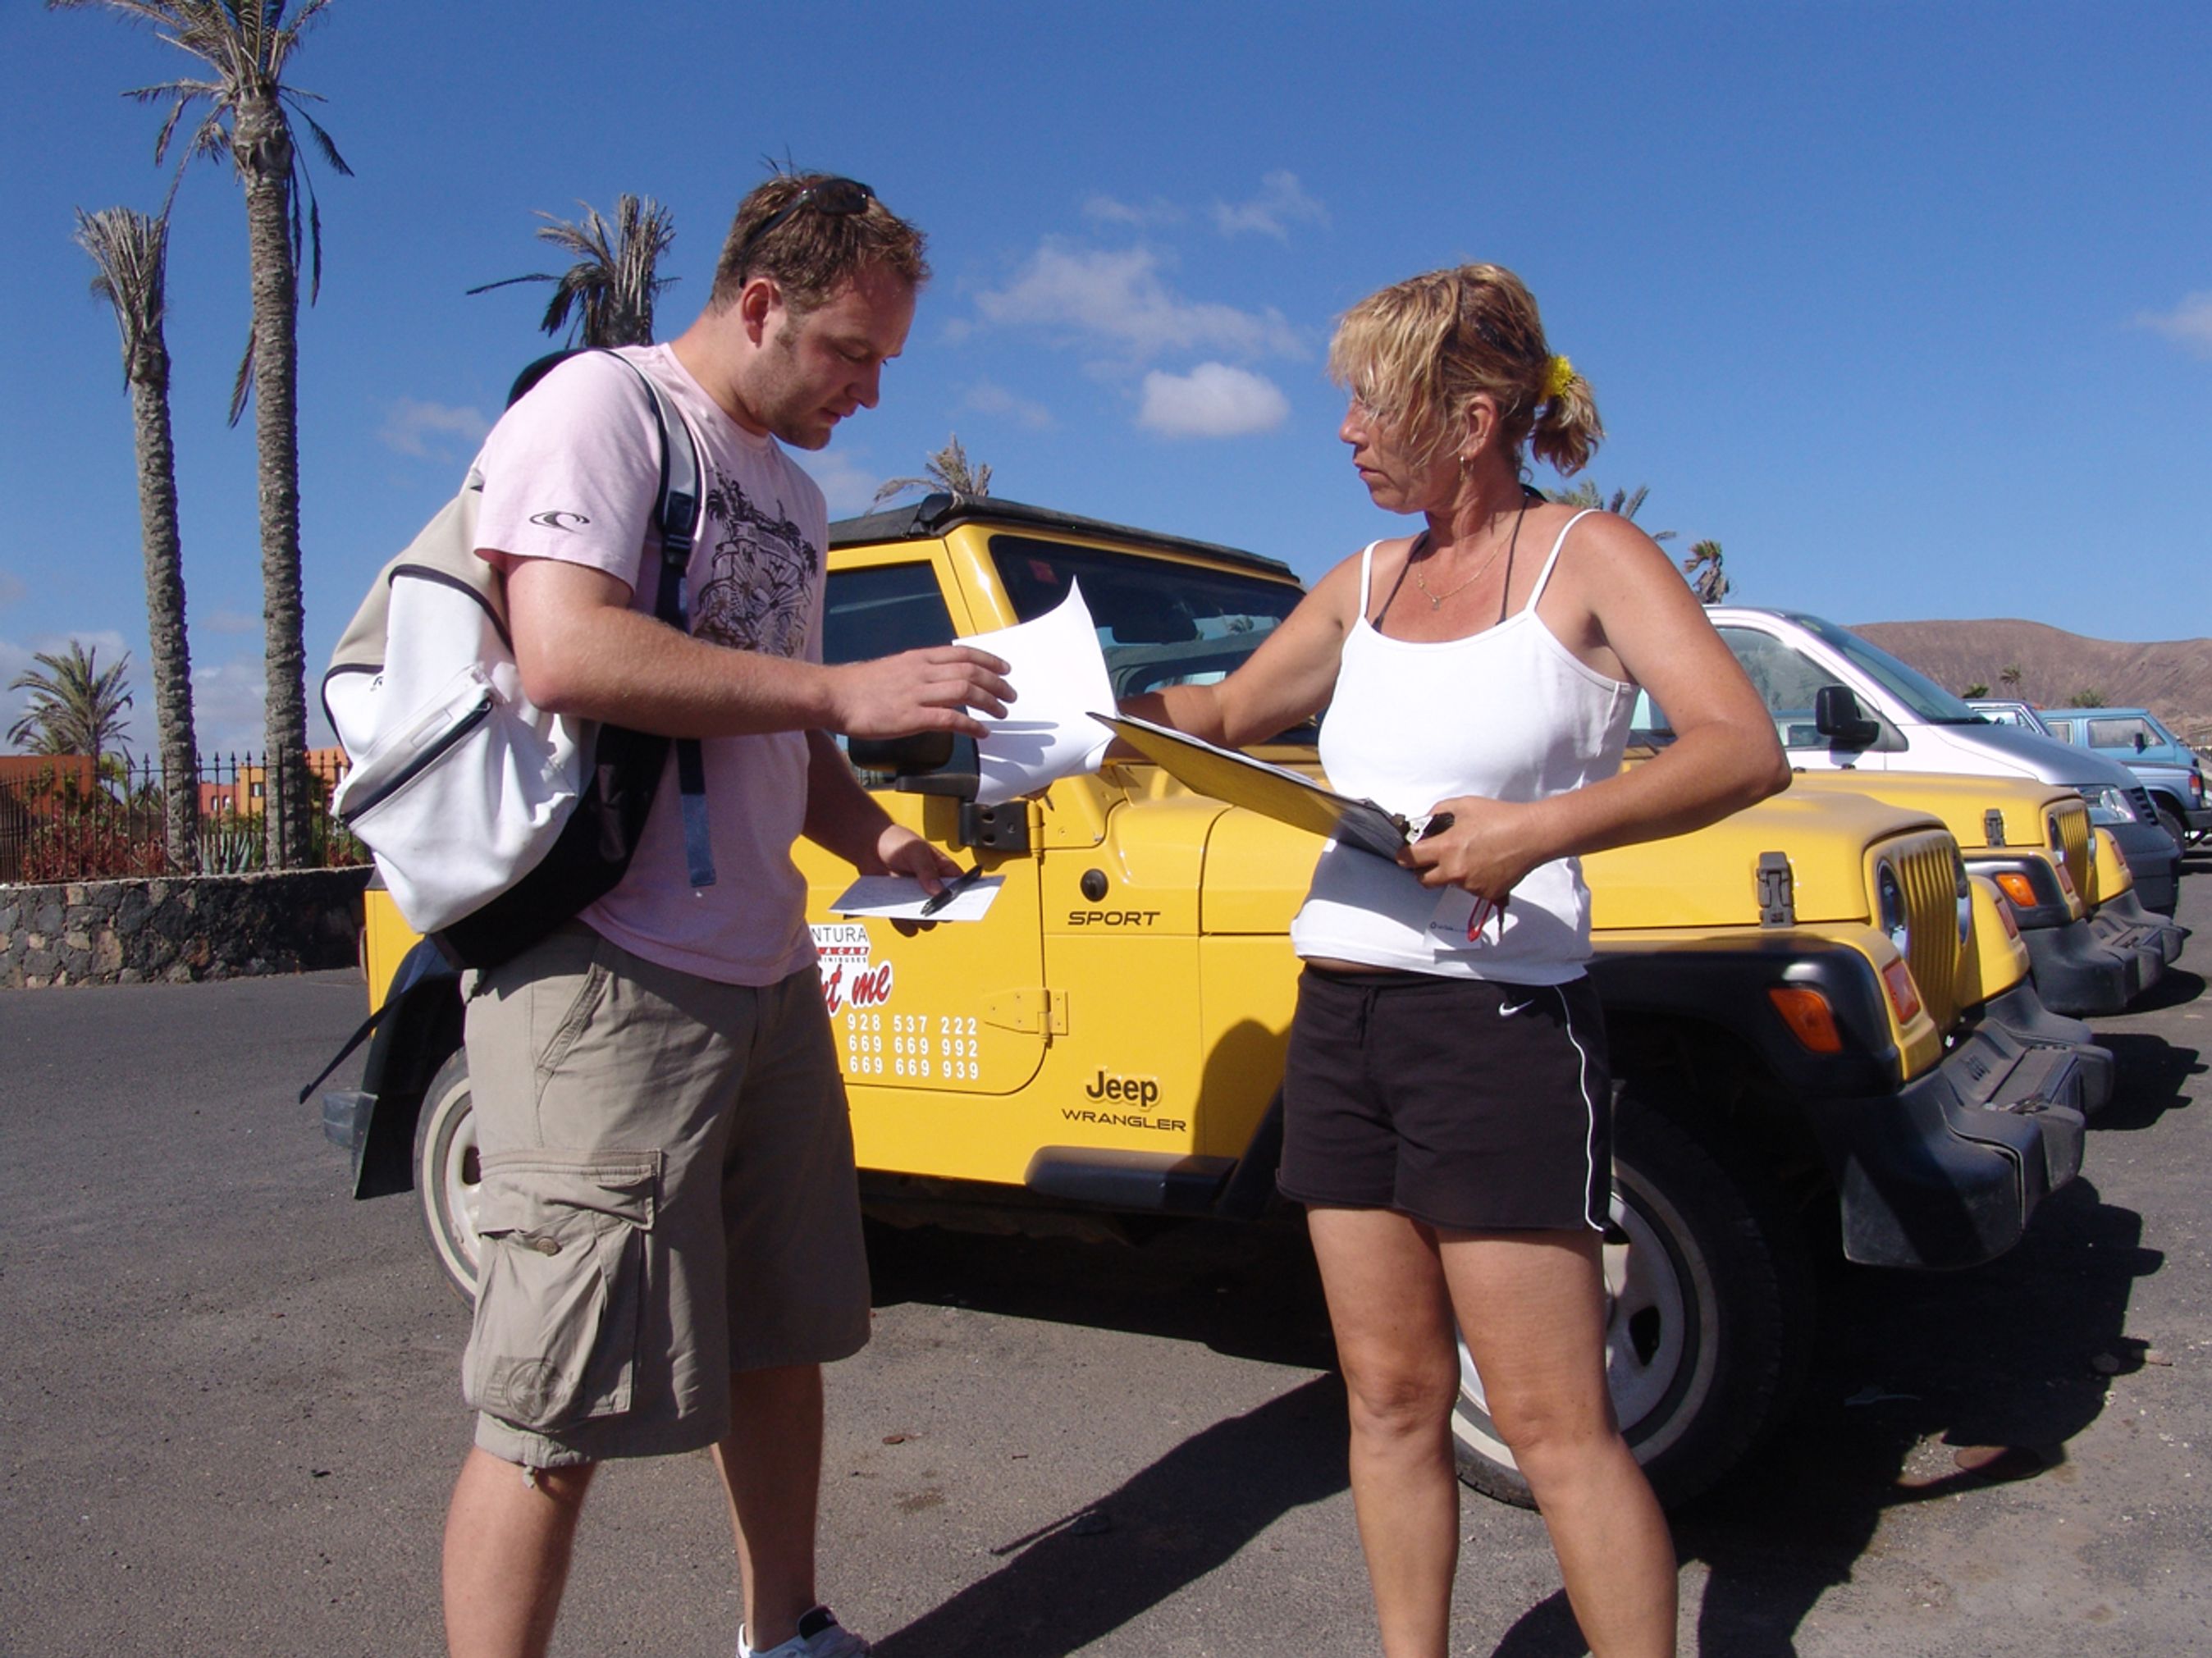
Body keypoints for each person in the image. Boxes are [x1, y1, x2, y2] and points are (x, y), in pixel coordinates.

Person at [1123, 264, 1789, 1657]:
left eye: (1375, 402)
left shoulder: (1589, 557)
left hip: (1499, 1025)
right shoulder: (1365, 578)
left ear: (1472, 416)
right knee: (1385, 1398)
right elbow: (1232, 706)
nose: (1351, 430)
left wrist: (1534, 832)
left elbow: (1742, 746)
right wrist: (1079, 704)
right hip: (1343, 1017)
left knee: (1554, 1424)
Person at [441, 172, 1014, 1658]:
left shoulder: (799, 494)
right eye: (848, 351)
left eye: (886, 360)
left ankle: (787, 1630)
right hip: (605, 979)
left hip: (763, 978)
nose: (869, 390)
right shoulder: (599, 411)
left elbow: (776, 733)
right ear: (759, 303)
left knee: (781, 1336)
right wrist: (838, 688)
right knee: (549, 1400)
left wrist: (878, 833)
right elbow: (563, 649)